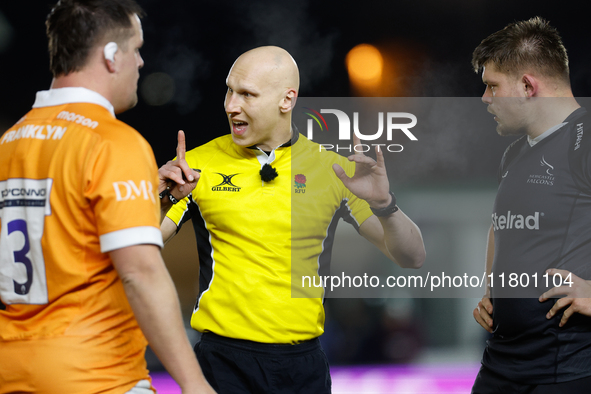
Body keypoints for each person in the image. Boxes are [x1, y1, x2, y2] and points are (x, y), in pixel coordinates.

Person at [158, 45, 426, 393]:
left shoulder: (333, 170)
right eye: (229, 90)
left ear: (286, 100)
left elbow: (413, 257)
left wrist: (384, 204)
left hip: (303, 367)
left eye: (246, 94)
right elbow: (140, 244)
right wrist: (159, 196)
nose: (230, 105)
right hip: (222, 362)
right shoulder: (195, 165)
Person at [0, 1, 214, 393]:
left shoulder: (9, 143)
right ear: (112, 57)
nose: (142, 62)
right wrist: (195, 384)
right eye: (136, 48)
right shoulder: (112, 142)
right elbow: (139, 272)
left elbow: (67, 242)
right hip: (97, 374)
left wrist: (158, 201)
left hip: (12, 372)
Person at [471, 17, 591, 393]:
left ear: (527, 86)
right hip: (501, 363)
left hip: (562, 370)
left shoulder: (585, 141)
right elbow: (501, 225)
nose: (485, 99)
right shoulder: (515, 153)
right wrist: (491, 289)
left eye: (492, 86)